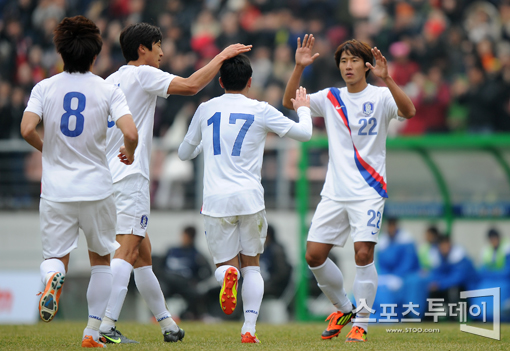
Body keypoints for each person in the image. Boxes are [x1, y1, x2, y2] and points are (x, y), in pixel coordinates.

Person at [99, 22, 251, 344]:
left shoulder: (110, 80)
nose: (162, 53)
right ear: (143, 49)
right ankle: (105, 324)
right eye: (158, 47)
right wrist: (221, 55)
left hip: (107, 177)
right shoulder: (143, 73)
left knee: (142, 256)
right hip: (130, 176)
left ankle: (169, 325)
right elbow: (192, 85)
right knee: (126, 252)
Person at [282, 35, 416, 342]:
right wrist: (299, 68)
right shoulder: (331, 97)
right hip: (335, 191)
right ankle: (344, 308)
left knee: (363, 253)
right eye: (343, 61)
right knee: (313, 256)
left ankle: (363, 325)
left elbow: (408, 112)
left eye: (354, 60)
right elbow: (291, 102)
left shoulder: (381, 97)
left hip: (369, 190)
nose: (348, 66)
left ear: (367, 65)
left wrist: (389, 79)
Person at [20, 15, 137, 348]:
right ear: (95, 56)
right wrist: (128, 152)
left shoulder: (44, 88)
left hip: (57, 190)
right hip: (97, 188)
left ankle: (53, 277)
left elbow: (26, 129)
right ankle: (91, 333)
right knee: (101, 260)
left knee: (55, 256)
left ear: (61, 52)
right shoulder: (107, 88)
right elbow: (130, 132)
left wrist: (49, 150)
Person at [178, 54, 312, 343]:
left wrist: (205, 144)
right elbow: (304, 134)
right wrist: (302, 109)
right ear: (250, 82)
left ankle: (228, 275)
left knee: (225, 266)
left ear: (220, 81)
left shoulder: (205, 109)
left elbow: (183, 153)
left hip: (216, 201)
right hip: (250, 199)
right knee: (252, 265)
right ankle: (249, 329)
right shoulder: (261, 109)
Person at [160, 226, 213, 319]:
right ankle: (159, 316)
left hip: (185, 283)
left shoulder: (196, 255)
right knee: (158, 291)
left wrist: (196, 280)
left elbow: (209, 271)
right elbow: (159, 266)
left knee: (196, 294)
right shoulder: (172, 251)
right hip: (169, 281)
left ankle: (189, 315)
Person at [373, 217, 419, 319]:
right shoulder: (383, 242)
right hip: (388, 276)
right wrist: (385, 276)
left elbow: (408, 263)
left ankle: (394, 316)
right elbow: (381, 264)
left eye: (392, 226)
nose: (390, 228)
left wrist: (396, 276)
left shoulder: (406, 240)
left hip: (405, 275)